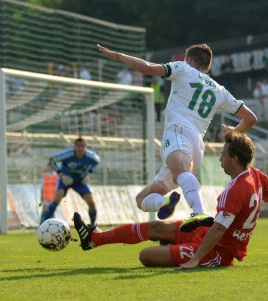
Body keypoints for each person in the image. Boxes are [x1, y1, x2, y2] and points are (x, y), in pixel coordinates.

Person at [73, 131, 268, 269]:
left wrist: (196, 257)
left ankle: (176, 250)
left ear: (234, 157)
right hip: (209, 231)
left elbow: (220, 230)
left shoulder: (237, 190)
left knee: (146, 256)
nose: (219, 158)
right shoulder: (256, 175)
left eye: (222, 154)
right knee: (158, 227)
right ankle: (95, 239)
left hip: (218, 252)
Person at [97, 43, 258, 231]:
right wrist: (233, 133)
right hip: (197, 146)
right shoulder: (220, 90)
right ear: (208, 66)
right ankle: (165, 202)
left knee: (181, 172)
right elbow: (251, 118)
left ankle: (199, 212)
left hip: (179, 132)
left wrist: (119, 56)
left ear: (189, 60)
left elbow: (146, 68)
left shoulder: (182, 68)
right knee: (142, 199)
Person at [41, 137, 101, 226]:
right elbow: (52, 160)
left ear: (86, 147)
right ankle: (43, 224)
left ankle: (93, 226)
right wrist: (60, 174)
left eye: (82, 146)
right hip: (66, 179)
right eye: (78, 146)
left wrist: (88, 173)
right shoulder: (67, 155)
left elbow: (97, 162)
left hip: (80, 180)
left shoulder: (91, 156)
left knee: (91, 203)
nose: (80, 148)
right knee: (57, 199)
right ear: (74, 147)